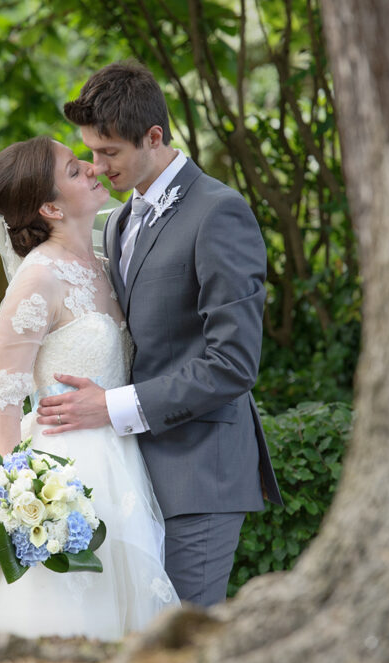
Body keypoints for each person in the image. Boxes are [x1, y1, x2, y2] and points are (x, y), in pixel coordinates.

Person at [0, 136, 179, 644]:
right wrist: (31, 498)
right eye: (74, 170)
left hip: (122, 460)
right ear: (52, 206)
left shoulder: (104, 263)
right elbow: (4, 405)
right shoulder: (37, 279)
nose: (91, 167)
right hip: (65, 477)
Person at [37, 61, 283, 607]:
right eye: (90, 153)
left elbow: (233, 363)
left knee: (181, 645)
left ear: (154, 137)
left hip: (201, 472)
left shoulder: (220, 212)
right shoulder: (123, 221)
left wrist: (112, 407)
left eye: (110, 153)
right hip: (132, 475)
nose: (97, 169)